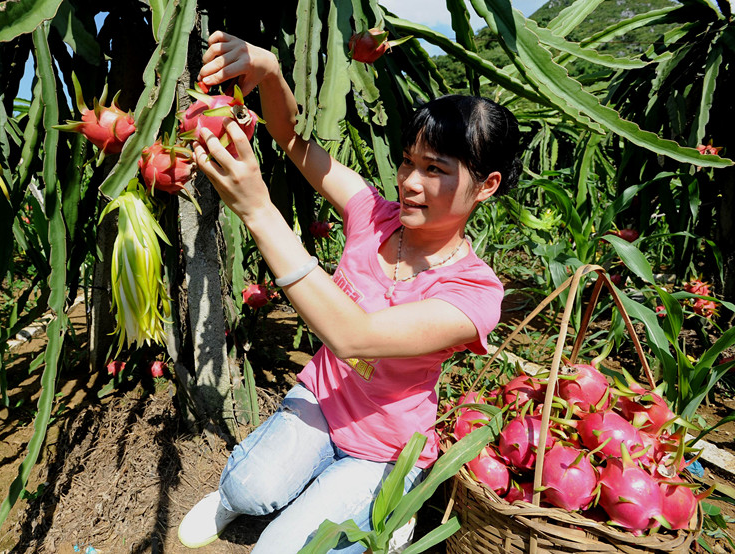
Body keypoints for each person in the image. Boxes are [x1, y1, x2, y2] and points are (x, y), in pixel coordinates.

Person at [177, 31, 522, 553]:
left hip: (383, 448)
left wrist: (257, 210)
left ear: (488, 184)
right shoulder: (373, 214)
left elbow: (354, 337)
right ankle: (234, 499)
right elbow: (292, 142)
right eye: (409, 161)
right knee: (247, 489)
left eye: (435, 170)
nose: (409, 182)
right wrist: (270, 72)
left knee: (279, 550)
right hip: (322, 399)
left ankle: (386, 513)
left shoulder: (475, 293)